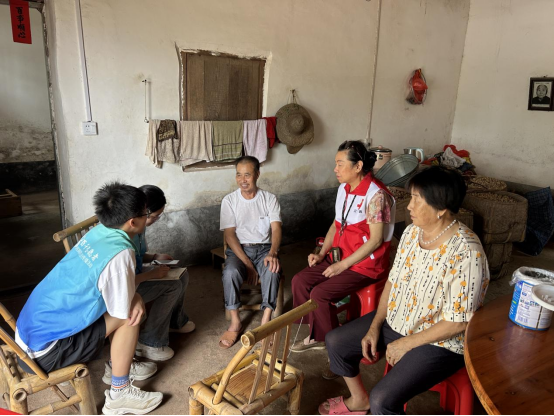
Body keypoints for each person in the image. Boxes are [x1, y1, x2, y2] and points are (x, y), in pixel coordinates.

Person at [320, 166, 490, 416]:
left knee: (383, 400)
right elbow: (393, 283)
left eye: (417, 199)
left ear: (441, 208)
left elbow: (458, 322)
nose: (409, 206)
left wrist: (406, 344)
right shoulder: (411, 233)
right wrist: (375, 325)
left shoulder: (466, 252)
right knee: (336, 342)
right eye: (411, 197)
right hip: (398, 321)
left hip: (439, 341)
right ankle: (358, 400)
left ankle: (373, 401)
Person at [15, 182, 164, 415]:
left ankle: (120, 364)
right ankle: (120, 394)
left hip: (26, 337)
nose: (149, 218)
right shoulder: (121, 252)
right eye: (146, 214)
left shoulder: (98, 232)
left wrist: (132, 294)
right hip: (44, 355)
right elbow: (120, 308)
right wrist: (135, 298)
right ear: (132, 222)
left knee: (128, 304)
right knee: (130, 316)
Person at [291, 141, 396, 371]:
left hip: (365, 266)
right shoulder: (344, 189)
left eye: (340, 164)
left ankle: (336, 350)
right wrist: (322, 253)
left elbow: (376, 240)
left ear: (358, 166)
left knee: (319, 293)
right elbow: (335, 224)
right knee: (300, 281)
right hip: (341, 257)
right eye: (335, 163)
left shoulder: (377, 196)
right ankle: (318, 335)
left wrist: (342, 266)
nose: (335, 169)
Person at [219, 156, 282, 349]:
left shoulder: (269, 199)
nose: (242, 180)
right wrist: (247, 264)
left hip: (264, 249)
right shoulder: (229, 201)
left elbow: (276, 228)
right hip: (239, 250)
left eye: (247, 175)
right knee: (230, 272)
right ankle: (235, 322)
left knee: (272, 270)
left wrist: (273, 252)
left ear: (257, 174)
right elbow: (230, 235)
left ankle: (265, 320)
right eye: (238, 175)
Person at [133, 185, 195, 362]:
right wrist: (152, 274)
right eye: (155, 216)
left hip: (137, 275)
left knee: (181, 273)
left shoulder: (139, 227)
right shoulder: (127, 234)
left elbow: (138, 256)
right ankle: (149, 342)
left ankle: (176, 321)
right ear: (145, 212)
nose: (155, 220)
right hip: (129, 286)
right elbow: (123, 280)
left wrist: (155, 257)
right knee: (172, 286)